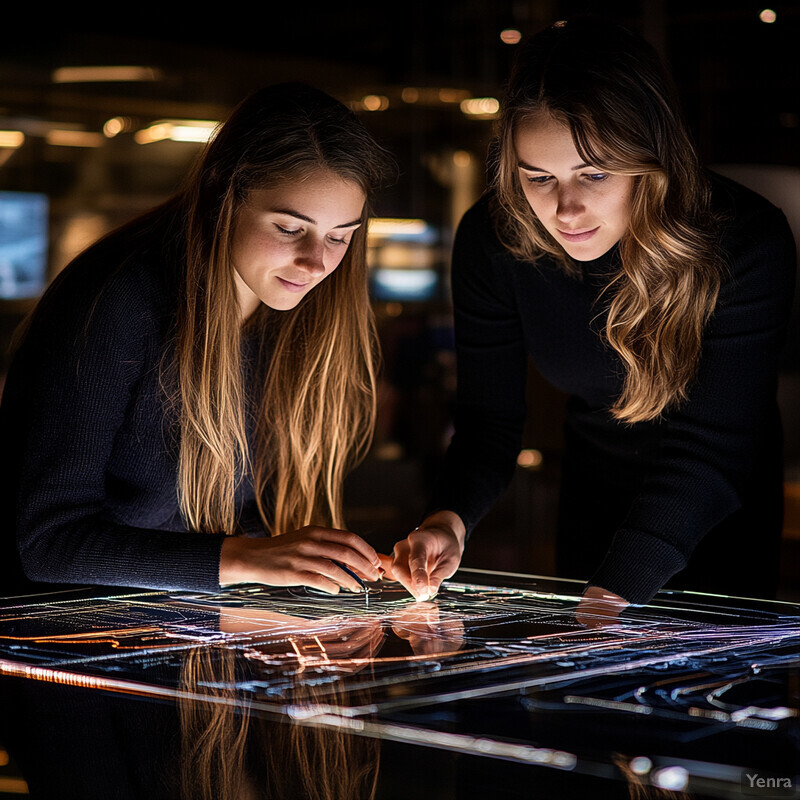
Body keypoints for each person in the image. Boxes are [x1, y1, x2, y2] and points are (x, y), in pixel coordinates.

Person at [387, 18, 797, 611]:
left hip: (718, 517)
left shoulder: (744, 242)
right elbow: (488, 421)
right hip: (591, 504)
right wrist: (449, 519)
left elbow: (712, 451)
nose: (565, 208)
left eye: (595, 173)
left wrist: (615, 592)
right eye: (539, 177)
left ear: (650, 160)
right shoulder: (494, 239)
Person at [0, 83, 396, 597]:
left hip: (177, 624)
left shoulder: (298, 310)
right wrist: (248, 558)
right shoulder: (115, 302)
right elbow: (48, 543)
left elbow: (250, 521)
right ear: (220, 194)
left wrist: (326, 566)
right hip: (47, 631)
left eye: (340, 236)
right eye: (288, 227)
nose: (316, 262)